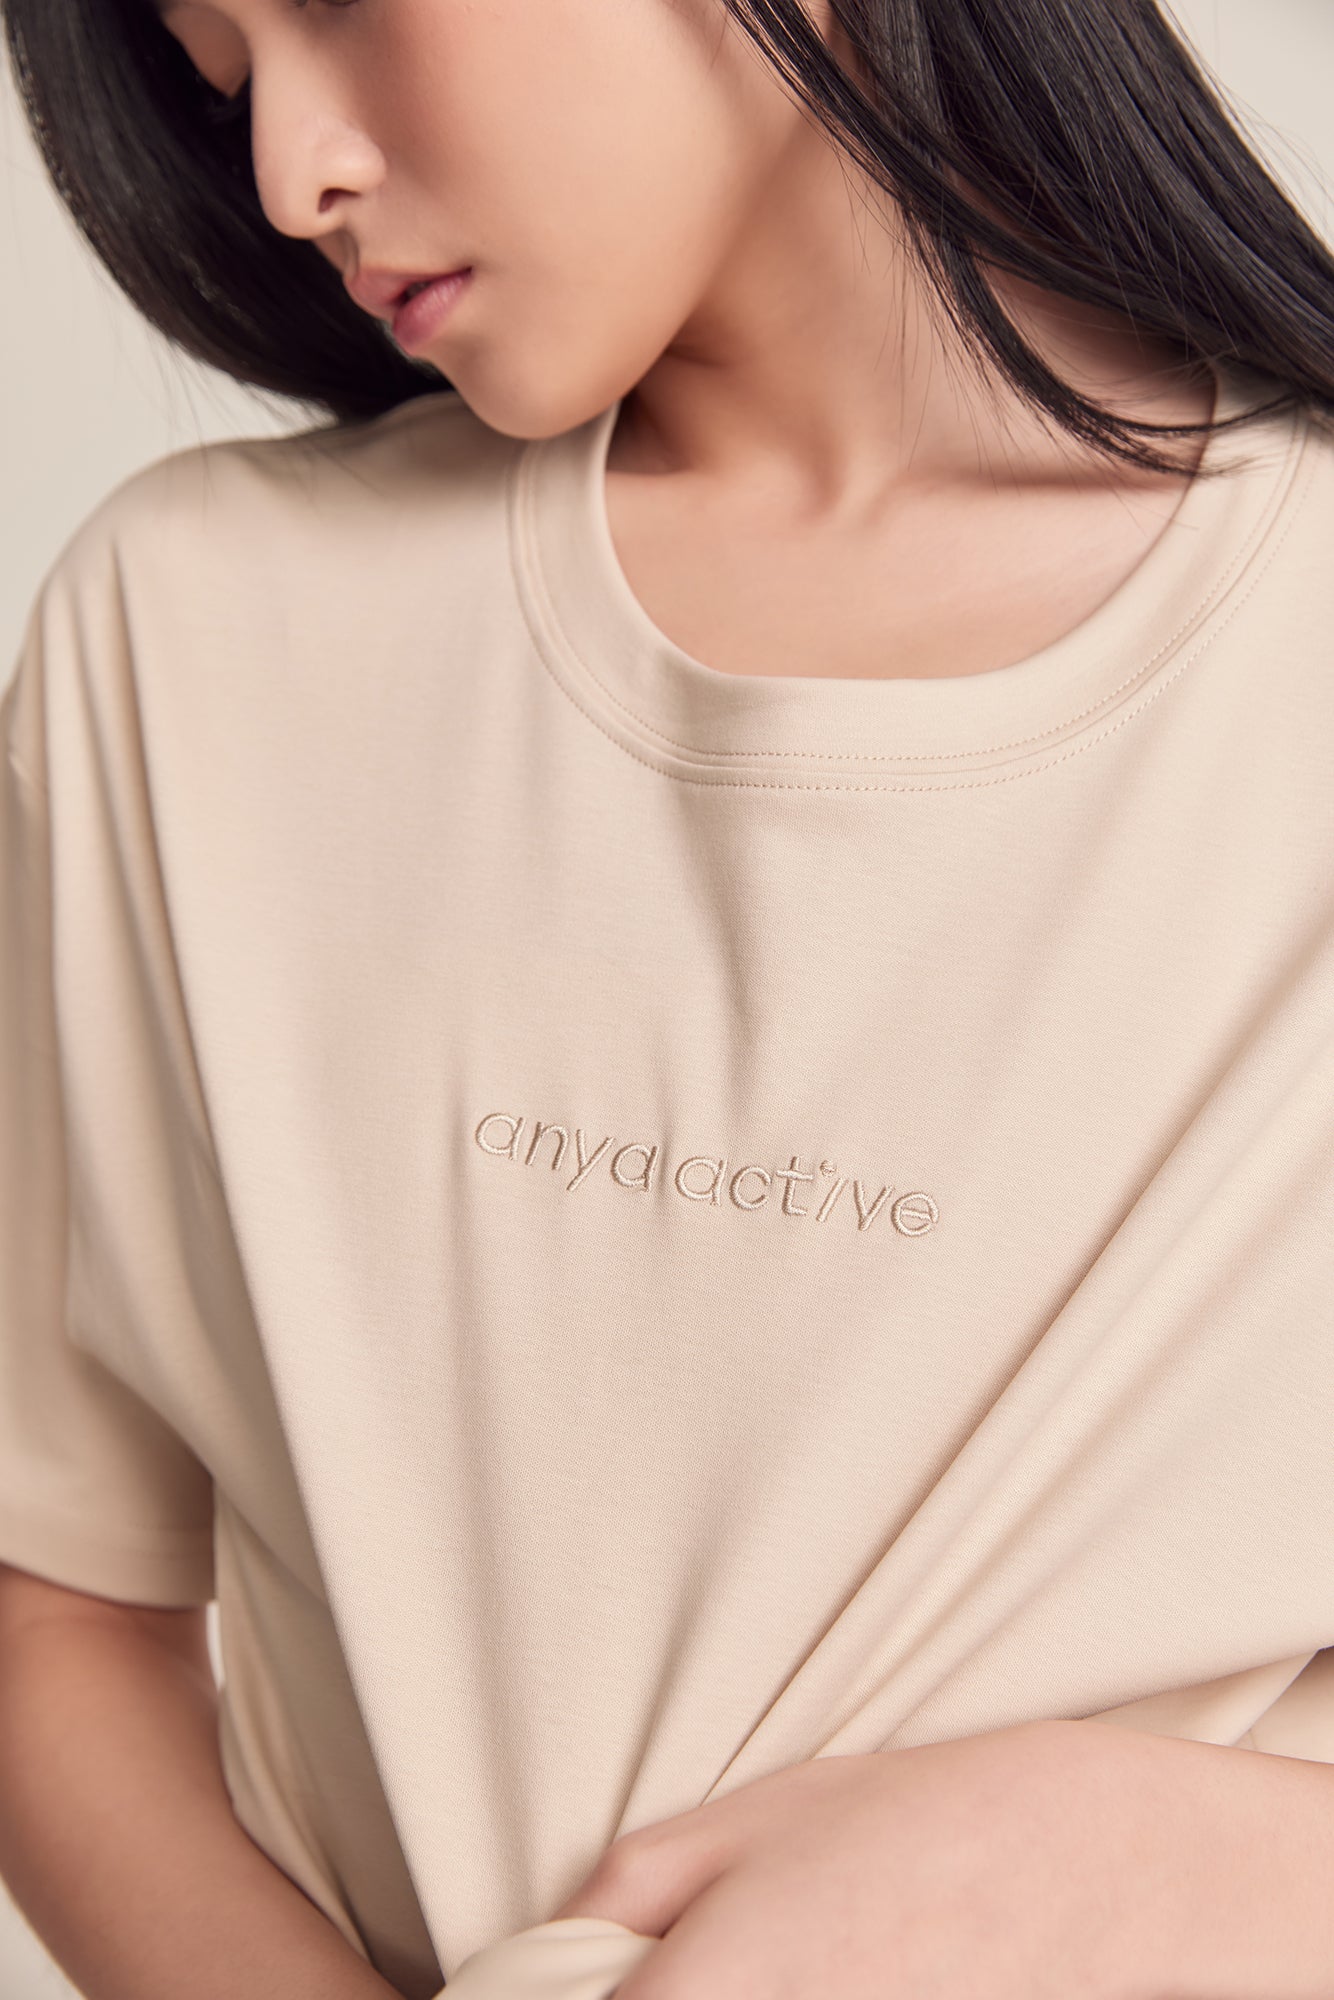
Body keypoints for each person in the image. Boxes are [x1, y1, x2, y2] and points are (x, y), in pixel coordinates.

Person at [2, 1, 1334, 1996]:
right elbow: (58, 1607)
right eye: (225, 75)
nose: (288, 174)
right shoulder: (193, 641)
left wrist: (1147, 1866)